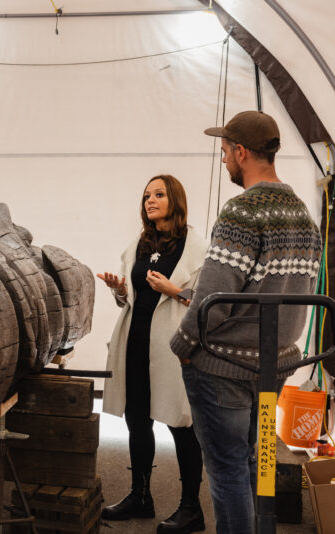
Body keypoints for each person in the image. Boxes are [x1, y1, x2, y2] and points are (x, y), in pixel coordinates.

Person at [170, 111, 322, 534]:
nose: (223, 161)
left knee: (228, 469)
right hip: (274, 369)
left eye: (224, 153)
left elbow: (212, 301)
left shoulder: (241, 212)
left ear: (241, 152)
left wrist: (182, 347)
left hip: (223, 369)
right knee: (260, 460)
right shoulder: (305, 218)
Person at [98, 174, 208, 534]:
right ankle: (140, 496)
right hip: (135, 343)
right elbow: (131, 299)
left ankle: (191, 508)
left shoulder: (194, 246)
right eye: (146, 195)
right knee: (137, 419)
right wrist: (118, 290)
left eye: (159, 194)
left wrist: (174, 289)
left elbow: (206, 303)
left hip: (172, 347)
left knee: (181, 423)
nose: (150, 200)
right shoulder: (140, 244)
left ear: (175, 199)